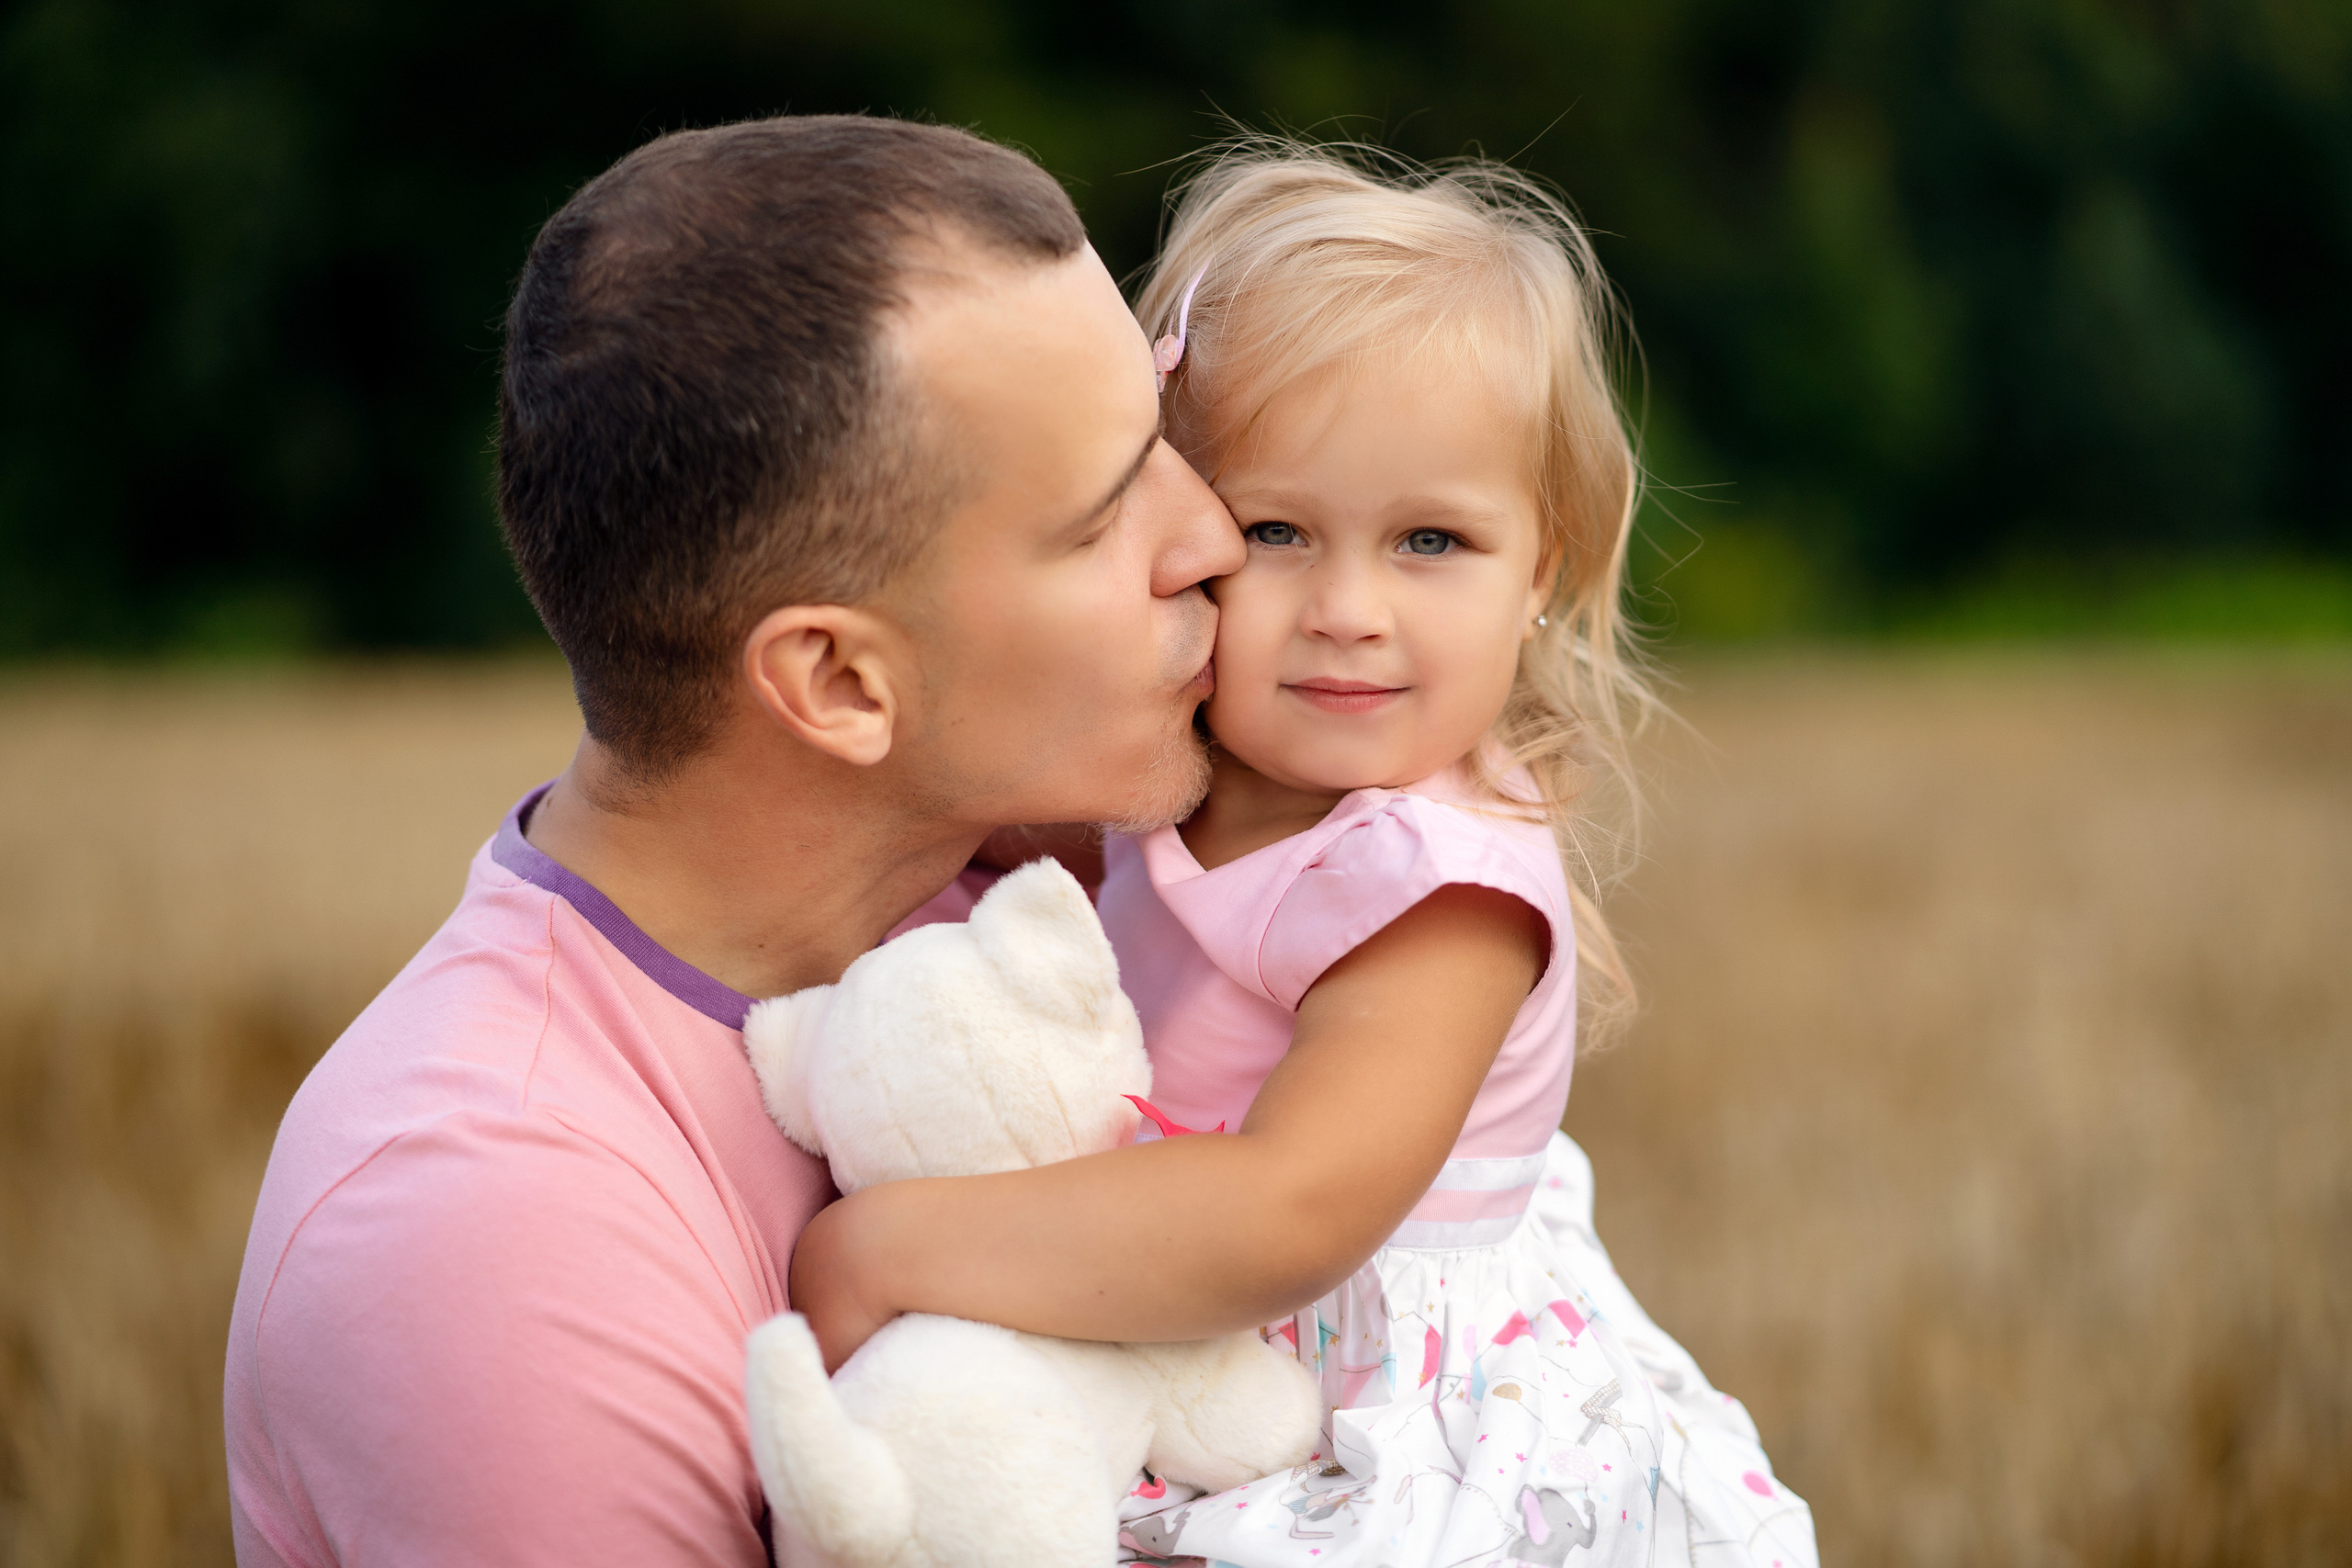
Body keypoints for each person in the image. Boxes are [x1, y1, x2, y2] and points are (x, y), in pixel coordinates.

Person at [222, 114, 1245, 1566]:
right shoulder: (487, 1233)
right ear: (836, 682)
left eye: (1166, 440)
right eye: (1101, 517)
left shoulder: (1061, 891)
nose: (1213, 534)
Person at [800, 145, 1823, 1567]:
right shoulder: (1178, 770)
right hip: (1179, 1341)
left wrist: (891, 1246)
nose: (1347, 608)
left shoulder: (1436, 889)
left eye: (1429, 540)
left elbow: (1289, 1213)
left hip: (1367, 1422)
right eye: (1275, 529)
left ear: (1541, 569)